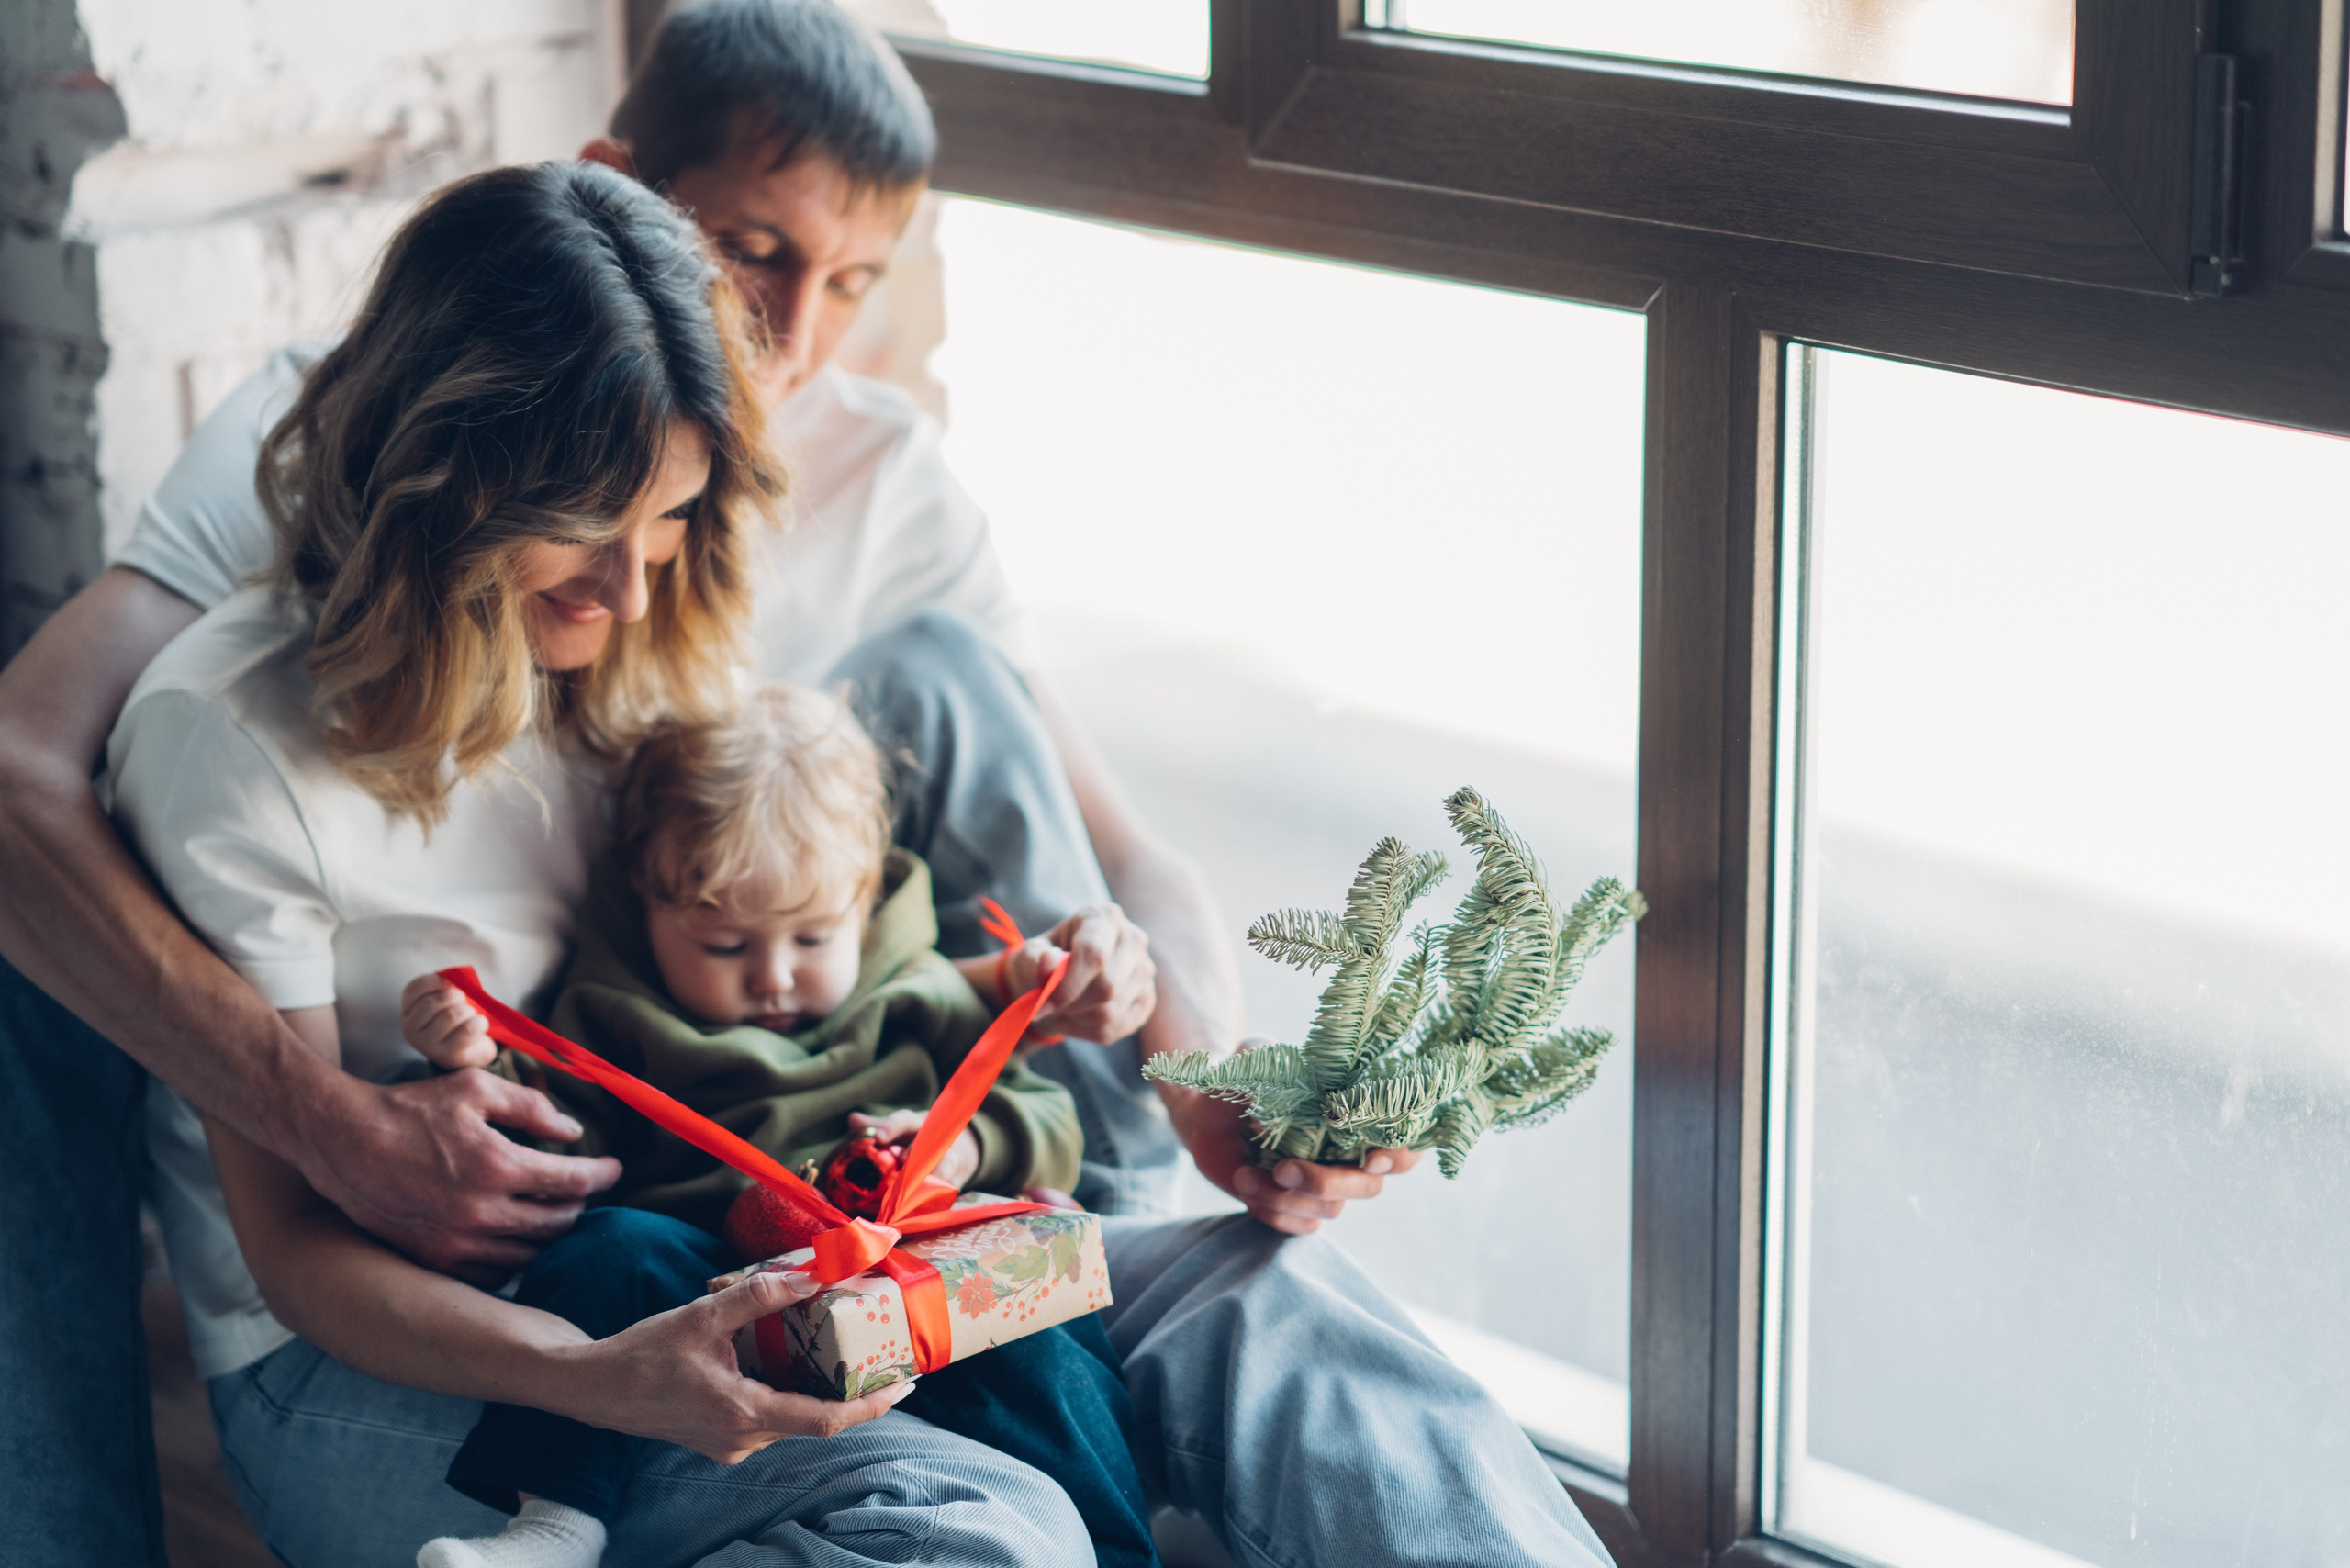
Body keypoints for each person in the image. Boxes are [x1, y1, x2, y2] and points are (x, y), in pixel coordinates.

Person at [0, 0, 1460, 1559]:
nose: (794, 328)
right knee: (983, 1518)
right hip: (498, 1284)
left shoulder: (670, 594)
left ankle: (1098, 1205)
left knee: (1303, 1323)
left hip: (782, 1191)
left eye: (851, 277)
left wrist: (1198, 1070)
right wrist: (342, 1122)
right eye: (752, 251)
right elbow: (32, 781)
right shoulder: (250, 681)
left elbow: (1116, 849)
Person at [108, 156, 1100, 1568]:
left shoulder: (634, 646)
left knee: (1239, 1326)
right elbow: (294, 1260)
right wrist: (593, 1382)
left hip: (668, 1257)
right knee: (990, 1532)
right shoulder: (229, 740)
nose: (633, 588)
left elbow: (812, 946)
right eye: (585, 530)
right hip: (371, 1354)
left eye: (673, 518)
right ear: (441, 483)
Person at [408, 685, 1153, 1568]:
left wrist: (965, 1145)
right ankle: (554, 1526)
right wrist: (471, 1058)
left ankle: (1116, 1551)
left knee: (1044, 1340)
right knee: (606, 1253)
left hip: (918, 1283)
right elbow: (558, 1141)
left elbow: (1046, 1113)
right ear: (648, 903)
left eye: (811, 938)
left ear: (865, 902)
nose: (773, 978)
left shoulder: (917, 991)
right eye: (725, 945)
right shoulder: (614, 1016)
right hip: (718, 1294)